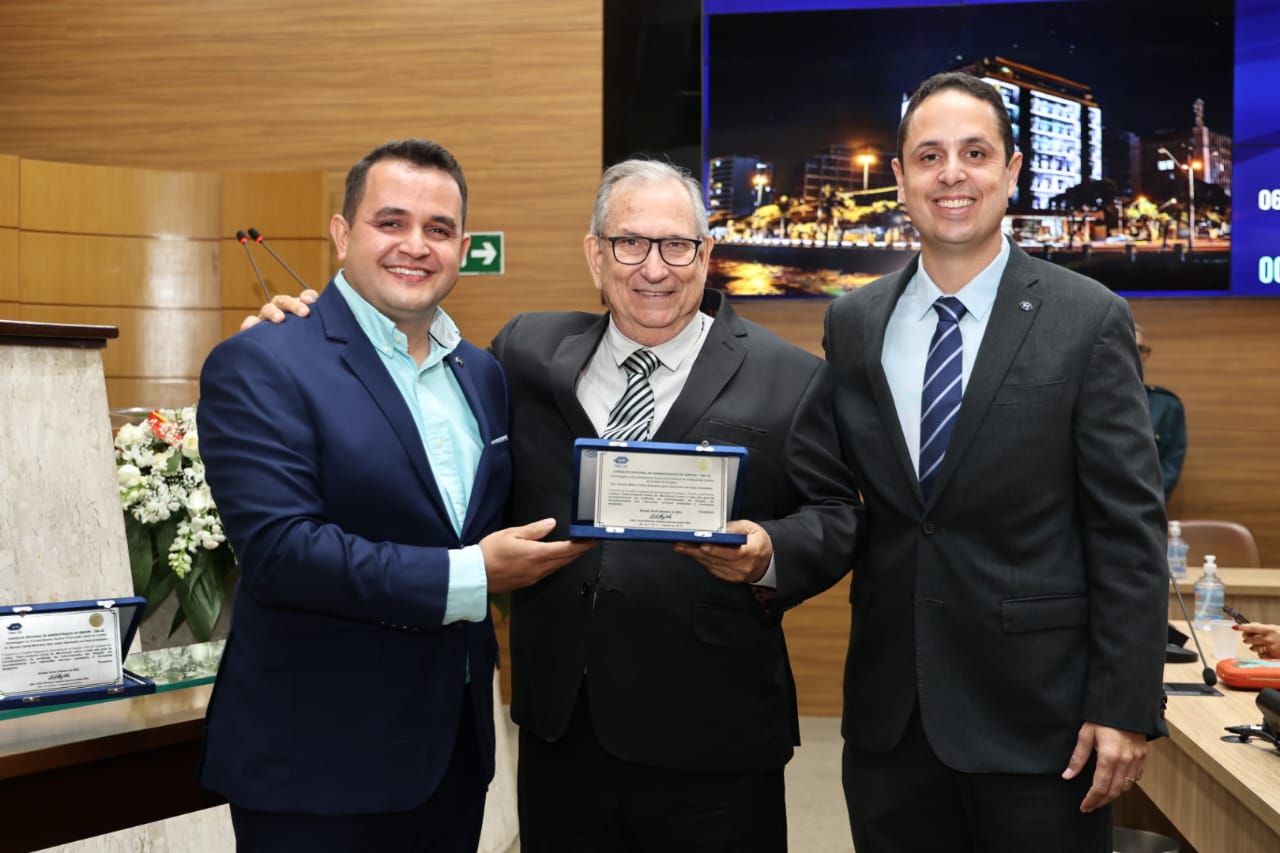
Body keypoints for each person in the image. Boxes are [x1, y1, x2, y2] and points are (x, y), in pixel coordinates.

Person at [247, 158, 859, 852]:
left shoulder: (791, 375)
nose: (653, 268)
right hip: (560, 729)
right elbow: (410, 396)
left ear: (706, 253)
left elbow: (836, 514)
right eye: (629, 243)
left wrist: (769, 555)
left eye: (676, 245)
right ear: (595, 254)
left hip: (713, 732)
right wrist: (310, 326)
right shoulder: (524, 354)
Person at [197, 139, 591, 852]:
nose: (415, 245)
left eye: (438, 229)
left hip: (452, 754)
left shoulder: (482, 374)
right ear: (342, 233)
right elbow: (281, 553)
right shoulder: (262, 361)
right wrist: (474, 574)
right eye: (391, 222)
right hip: (316, 762)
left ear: (462, 249)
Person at [822, 72, 1169, 852]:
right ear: (901, 177)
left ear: (1012, 172)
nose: (952, 174)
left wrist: (1123, 704)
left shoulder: (1089, 318)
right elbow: (833, 497)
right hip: (891, 720)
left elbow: (1128, 528)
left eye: (975, 153)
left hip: (1043, 722)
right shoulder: (852, 323)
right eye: (930, 156)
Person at [1136, 324, 1188, 499]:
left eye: (1140, 350)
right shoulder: (1088, 400)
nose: (1135, 356)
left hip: (1145, 506)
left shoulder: (1166, 406)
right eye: (1128, 347)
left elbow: (1169, 468)